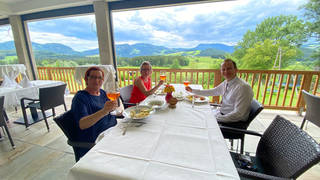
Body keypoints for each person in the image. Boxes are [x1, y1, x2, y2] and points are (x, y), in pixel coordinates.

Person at [71, 66, 118, 160]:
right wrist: (104, 111)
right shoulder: (80, 98)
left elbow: (109, 110)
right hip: (98, 139)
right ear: (86, 79)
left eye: (99, 78)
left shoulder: (103, 92)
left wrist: (114, 109)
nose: (96, 80)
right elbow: (82, 124)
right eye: (93, 77)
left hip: (113, 132)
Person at [186, 59, 253, 123]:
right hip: (221, 114)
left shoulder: (243, 87)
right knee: (194, 113)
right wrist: (193, 90)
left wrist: (215, 118)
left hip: (232, 123)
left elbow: (238, 115)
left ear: (236, 70)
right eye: (223, 69)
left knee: (198, 119)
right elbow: (213, 91)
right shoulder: (227, 82)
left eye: (229, 69)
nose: (226, 71)